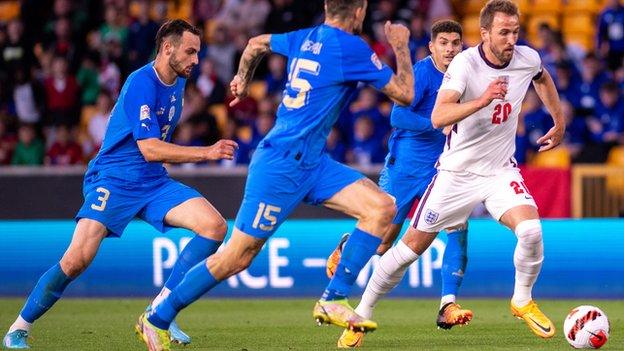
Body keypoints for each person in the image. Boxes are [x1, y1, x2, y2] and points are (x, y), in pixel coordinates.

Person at [140, 0, 415, 349]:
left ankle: (333, 297)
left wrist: (242, 77)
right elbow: (405, 94)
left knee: (381, 208)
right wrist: (401, 46)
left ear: (328, 6)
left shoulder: (304, 37)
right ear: (359, 11)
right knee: (236, 257)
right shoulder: (351, 47)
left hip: (313, 162)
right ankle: (158, 317)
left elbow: (255, 43)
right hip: (282, 165)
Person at [334, 0, 566, 345]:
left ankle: (521, 300)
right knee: (406, 249)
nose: (511, 39)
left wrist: (558, 122)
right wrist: (482, 100)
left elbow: (542, 78)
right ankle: (361, 316)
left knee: (531, 231)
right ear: (484, 32)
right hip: (456, 174)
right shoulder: (465, 65)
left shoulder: (526, 59)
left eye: (515, 31)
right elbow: (439, 117)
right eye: (504, 32)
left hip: (500, 170)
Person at [2, 19, 238, 349]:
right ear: (167, 48)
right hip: (114, 179)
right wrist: (207, 152)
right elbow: (149, 148)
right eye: (190, 52)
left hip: (153, 182)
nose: (195, 60)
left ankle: (160, 313)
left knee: (214, 227)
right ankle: (18, 328)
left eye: (197, 53)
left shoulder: (178, 81)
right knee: (76, 260)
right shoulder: (141, 82)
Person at [325, 20, 473, 348]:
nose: (450, 48)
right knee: (382, 244)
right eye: (444, 43)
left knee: (458, 231)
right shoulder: (421, 73)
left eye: (455, 42)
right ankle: (348, 244)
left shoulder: (467, 73)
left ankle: (447, 305)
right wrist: (438, 124)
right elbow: (398, 117)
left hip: (444, 170)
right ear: (432, 47)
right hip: (405, 167)